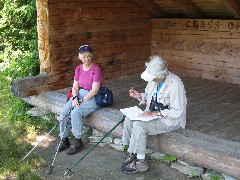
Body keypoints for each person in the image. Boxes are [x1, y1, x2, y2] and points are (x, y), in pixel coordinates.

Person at [121, 55, 187, 173]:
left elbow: (178, 111)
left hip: (170, 120)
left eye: (152, 77)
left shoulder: (175, 84)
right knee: (129, 120)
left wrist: (156, 113)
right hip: (153, 114)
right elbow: (150, 96)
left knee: (139, 125)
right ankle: (130, 153)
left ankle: (141, 162)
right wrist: (139, 96)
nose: (150, 79)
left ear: (160, 75)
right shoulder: (154, 81)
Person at [58, 44, 104, 155]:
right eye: (83, 57)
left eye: (88, 56)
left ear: (92, 55)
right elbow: (75, 86)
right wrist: (74, 98)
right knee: (64, 112)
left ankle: (78, 141)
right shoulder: (79, 68)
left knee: (75, 113)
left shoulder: (95, 69)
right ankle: (64, 139)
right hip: (78, 95)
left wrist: (81, 101)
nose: (86, 59)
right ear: (79, 57)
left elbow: (94, 91)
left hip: (91, 97)